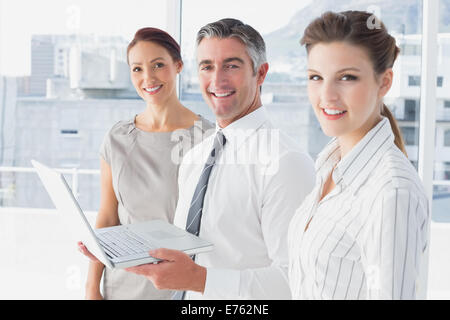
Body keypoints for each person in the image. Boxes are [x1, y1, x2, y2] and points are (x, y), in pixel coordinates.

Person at [124, 18, 316, 299]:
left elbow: (296, 282)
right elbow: (195, 253)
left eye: (232, 65)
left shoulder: (286, 163)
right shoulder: (194, 158)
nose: (217, 80)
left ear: (260, 74)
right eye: (207, 67)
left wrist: (200, 280)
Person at [288, 11, 429, 300]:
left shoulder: (391, 191)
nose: (326, 95)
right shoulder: (329, 166)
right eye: (316, 77)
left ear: (384, 82)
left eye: (347, 77)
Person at [78, 27, 214, 300]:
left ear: (178, 66)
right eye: (137, 69)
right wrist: (91, 288)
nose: (148, 78)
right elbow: (108, 216)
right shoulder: (117, 138)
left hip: (181, 289)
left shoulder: (209, 140)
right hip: (121, 286)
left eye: (158, 65)